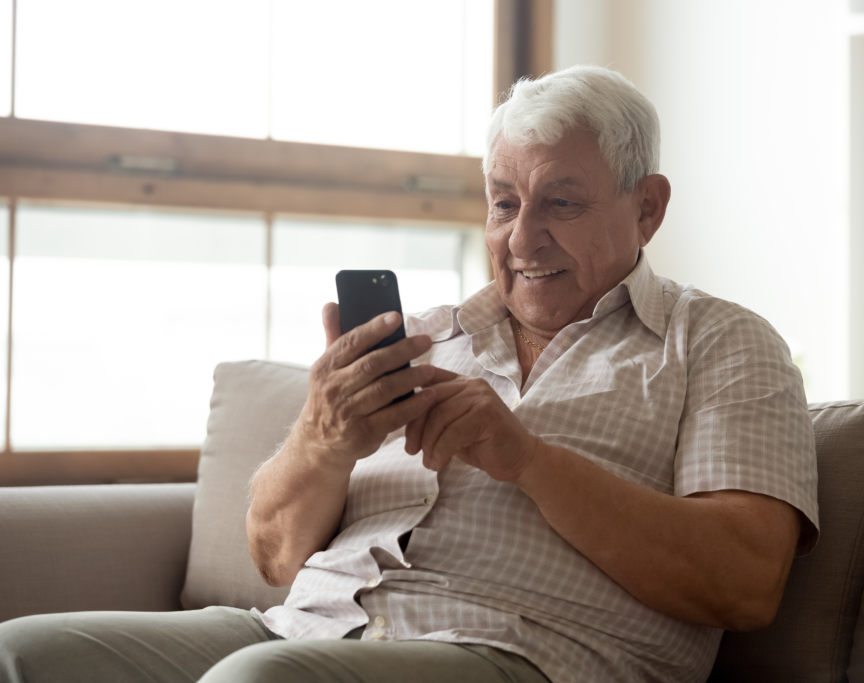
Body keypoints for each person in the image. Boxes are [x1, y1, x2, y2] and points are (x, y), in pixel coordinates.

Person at [0, 65, 817, 683]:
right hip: (302, 630)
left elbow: (743, 583)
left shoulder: (719, 343)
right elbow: (275, 556)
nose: (522, 239)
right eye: (504, 202)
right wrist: (326, 438)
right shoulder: (425, 336)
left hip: (523, 650)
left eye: (560, 204)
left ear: (647, 208)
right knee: (24, 654)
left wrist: (526, 458)